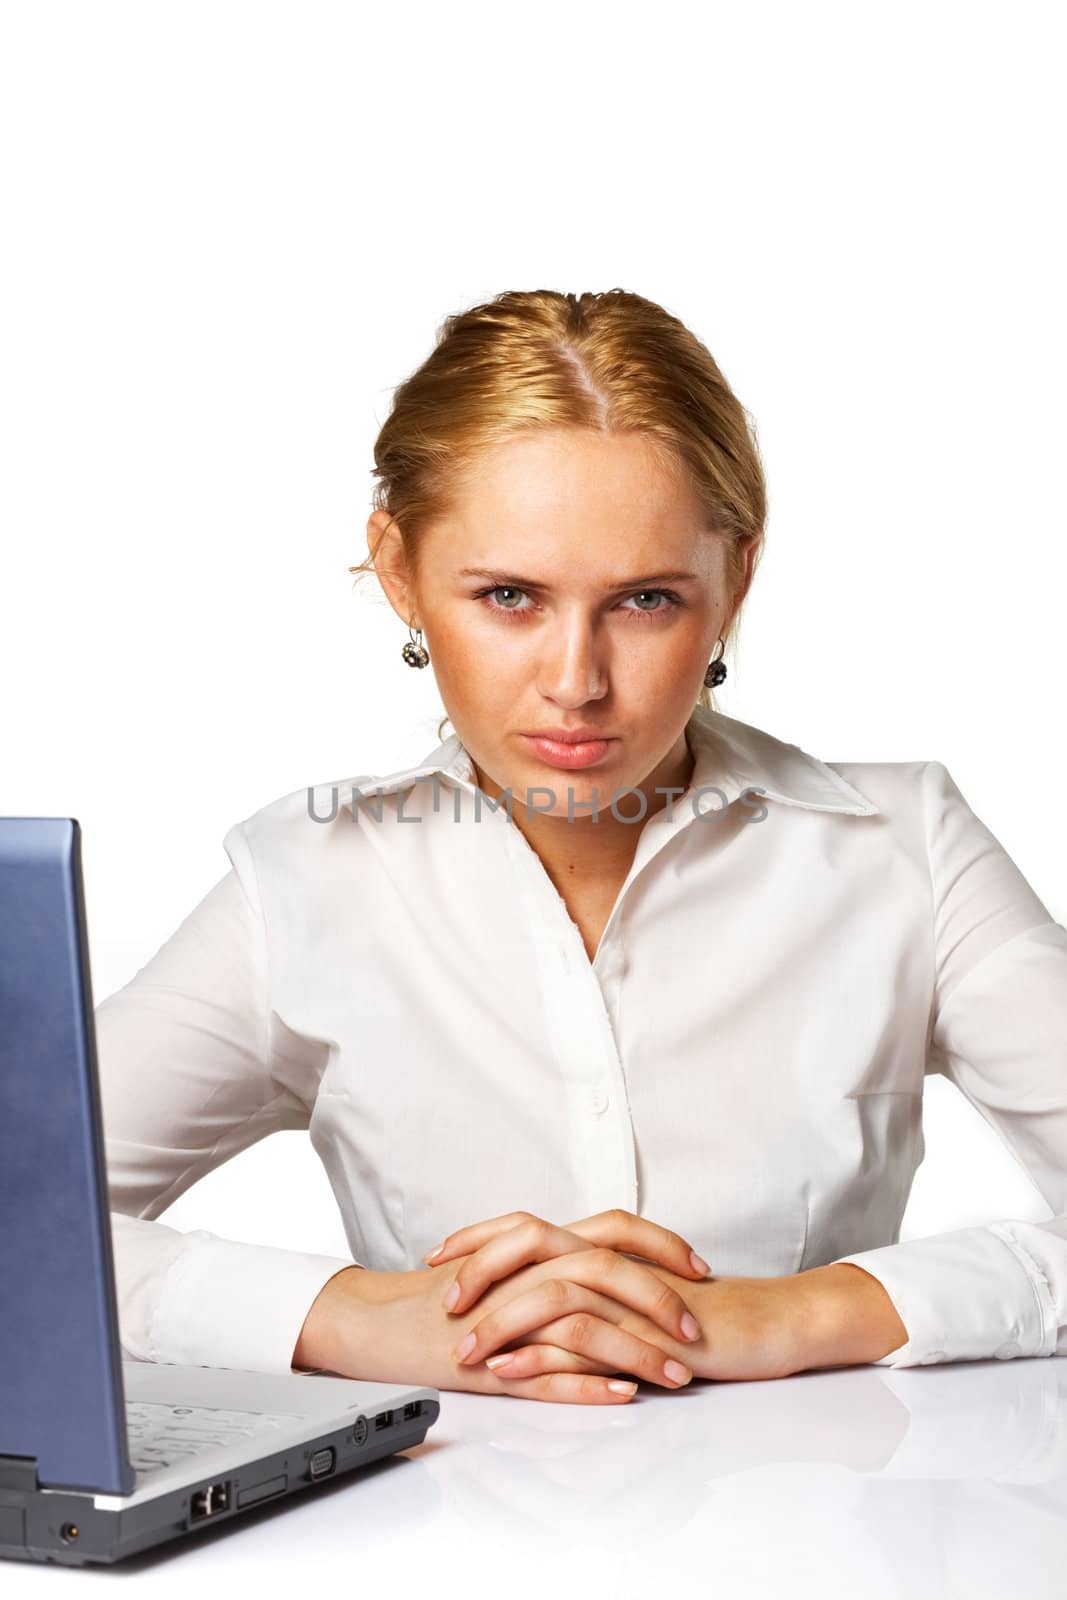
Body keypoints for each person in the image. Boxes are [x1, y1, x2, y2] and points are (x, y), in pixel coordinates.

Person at [98, 288, 1067, 1407]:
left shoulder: (909, 851)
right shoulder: (304, 884)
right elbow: (27, 1230)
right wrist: (344, 1314)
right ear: (401, 572)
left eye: (645, 599)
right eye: (507, 595)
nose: (576, 680)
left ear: (733, 582)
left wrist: (801, 1311)